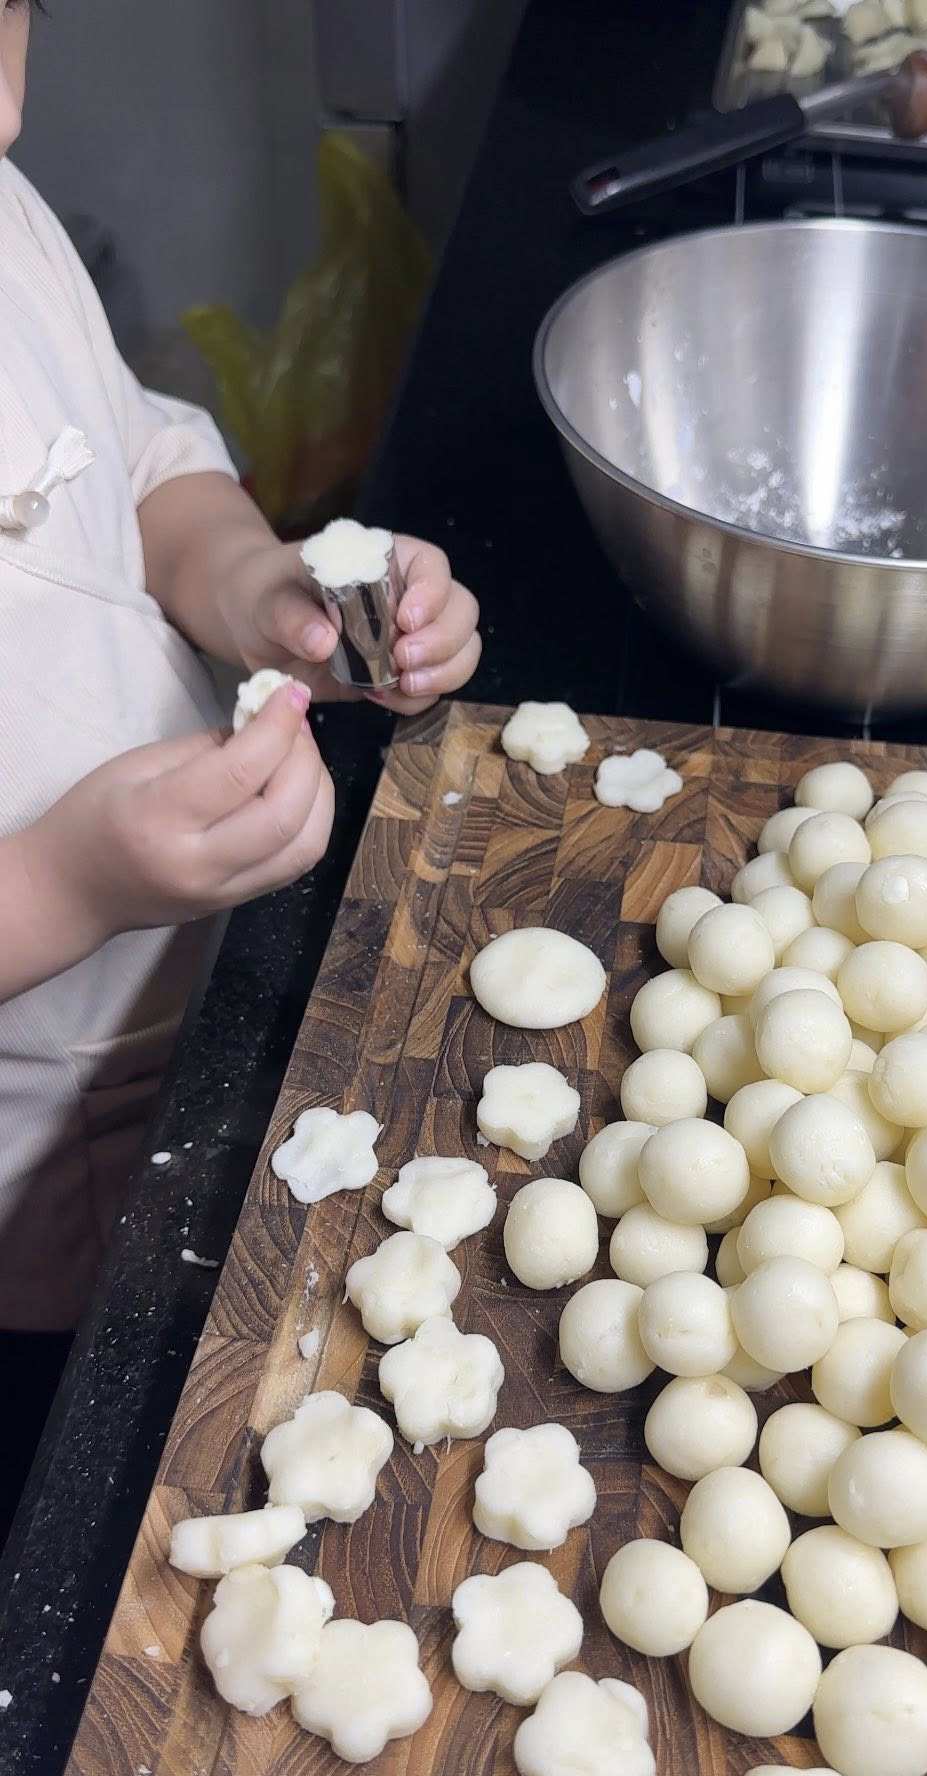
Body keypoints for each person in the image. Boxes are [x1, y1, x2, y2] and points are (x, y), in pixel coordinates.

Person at [0, 0, 481, 1529]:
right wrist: (61, 888)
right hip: (24, 1196)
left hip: (190, 1020)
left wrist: (256, 585)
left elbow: (135, 460)